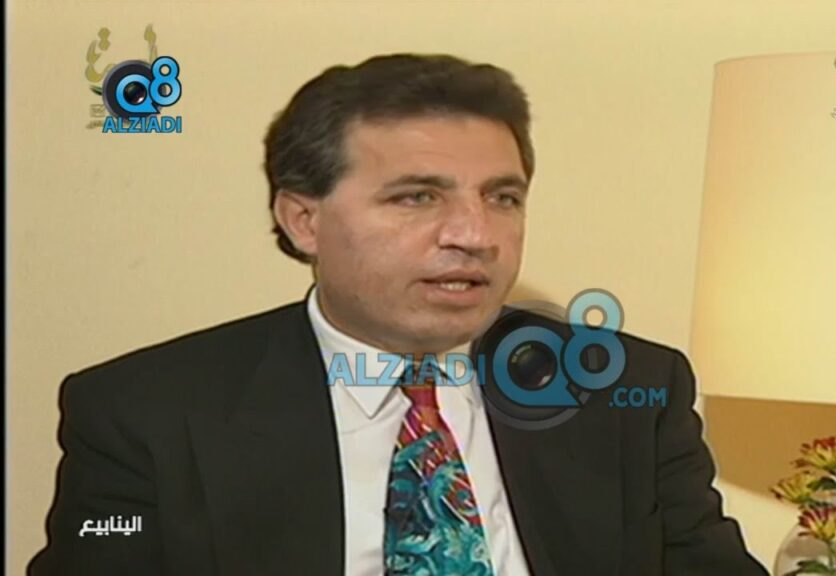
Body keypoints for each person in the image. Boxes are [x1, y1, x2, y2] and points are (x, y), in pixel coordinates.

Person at [29, 53, 768, 575]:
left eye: (502, 197)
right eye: (417, 196)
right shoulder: (146, 413)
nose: (475, 234)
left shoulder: (626, 390)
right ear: (303, 220)